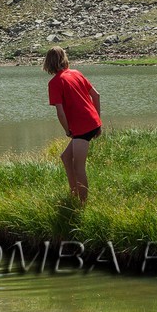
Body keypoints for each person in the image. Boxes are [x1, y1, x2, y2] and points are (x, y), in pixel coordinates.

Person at [44, 46, 102, 209]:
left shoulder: (55, 83)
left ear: (48, 63)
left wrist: (67, 130)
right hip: (91, 122)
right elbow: (96, 95)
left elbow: (60, 113)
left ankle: (82, 205)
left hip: (82, 127)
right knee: (66, 157)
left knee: (78, 166)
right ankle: (74, 193)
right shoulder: (76, 73)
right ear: (64, 59)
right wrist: (98, 121)